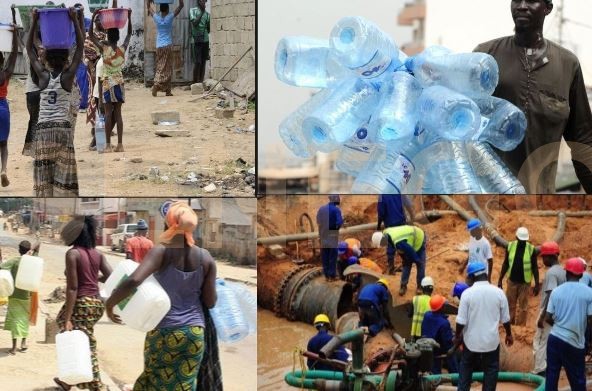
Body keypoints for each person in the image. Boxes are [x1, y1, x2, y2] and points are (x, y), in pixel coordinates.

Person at [474, 0, 592, 193]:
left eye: (530, 0)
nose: (521, 6)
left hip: (540, 200)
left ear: (547, 8)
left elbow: (583, 141)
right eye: (516, 0)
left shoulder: (567, 66)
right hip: (488, 197)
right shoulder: (485, 57)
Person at [106, 202, 217, 390]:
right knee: (185, 385)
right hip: (195, 333)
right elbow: (210, 302)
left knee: (155, 381)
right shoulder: (206, 258)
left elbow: (134, 280)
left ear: (168, 223)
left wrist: (110, 303)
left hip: (164, 330)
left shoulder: (161, 251)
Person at [27, 7, 84, 197]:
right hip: (63, 129)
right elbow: (81, 47)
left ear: (48, 60)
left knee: (44, 175)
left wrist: (34, 20)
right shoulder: (68, 77)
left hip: (43, 129)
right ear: (66, 58)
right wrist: (74, 19)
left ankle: (44, 206)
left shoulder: (43, 76)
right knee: (64, 175)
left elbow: (29, 49)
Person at [53, 215, 113, 391]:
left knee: (83, 340)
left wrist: (68, 317)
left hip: (82, 303)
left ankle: (96, 385)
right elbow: (110, 275)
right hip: (96, 303)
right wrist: (95, 279)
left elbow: (72, 288)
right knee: (77, 338)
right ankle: (69, 380)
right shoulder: (98, 254)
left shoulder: (72, 253)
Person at [456, 262, 513, 391]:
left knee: (465, 369)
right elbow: (506, 319)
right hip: (491, 343)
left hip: (471, 343)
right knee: (491, 371)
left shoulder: (467, 294)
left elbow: (461, 321)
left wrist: (457, 336)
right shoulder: (499, 293)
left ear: (472, 276)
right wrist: (509, 334)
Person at [544, 258, 592, 391]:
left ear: (566, 274)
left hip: (554, 339)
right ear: (581, 274)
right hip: (574, 342)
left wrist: (559, 326)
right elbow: (590, 319)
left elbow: (547, 317)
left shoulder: (556, 291)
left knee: (552, 377)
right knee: (578, 381)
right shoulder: (588, 293)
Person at [89, 6, 132, 153]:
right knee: (118, 114)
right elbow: (129, 35)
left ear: (107, 36)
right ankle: (120, 144)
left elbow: (90, 35)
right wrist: (130, 18)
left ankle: (107, 145)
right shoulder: (122, 49)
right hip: (119, 82)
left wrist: (94, 15)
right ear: (118, 37)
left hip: (108, 83)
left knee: (108, 114)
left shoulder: (104, 49)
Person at [532, 241, 565, 377]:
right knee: (549, 341)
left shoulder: (551, 273)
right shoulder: (562, 271)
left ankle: (539, 371)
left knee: (540, 341)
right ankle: (548, 368)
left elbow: (551, 294)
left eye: (543, 257)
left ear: (550, 257)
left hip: (549, 312)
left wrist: (543, 316)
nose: (543, 260)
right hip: (559, 313)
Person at [498, 227, 540, 325]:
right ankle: (510, 324)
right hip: (512, 281)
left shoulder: (531, 249)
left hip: (525, 283)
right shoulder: (510, 246)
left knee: (523, 307)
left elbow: (535, 267)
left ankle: (520, 327)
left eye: (524, 240)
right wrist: (500, 279)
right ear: (516, 237)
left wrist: (537, 283)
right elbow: (505, 264)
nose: (522, 242)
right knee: (509, 304)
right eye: (521, 240)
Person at [0, 241, 36, 355]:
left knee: (15, 320)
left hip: (14, 294)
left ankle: (14, 347)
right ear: (28, 249)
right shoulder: (32, 261)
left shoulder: (14, 260)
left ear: (19, 249)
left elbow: (2, 267)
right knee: (25, 320)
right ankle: (23, 343)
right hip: (27, 295)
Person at [372, 224, 427, 296]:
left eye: (382, 244)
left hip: (418, 238)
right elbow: (400, 250)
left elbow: (410, 251)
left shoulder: (397, 241)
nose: (383, 246)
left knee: (420, 264)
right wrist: (404, 259)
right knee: (406, 264)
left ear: (383, 239)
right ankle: (403, 286)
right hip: (408, 241)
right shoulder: (386, 234)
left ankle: (420, 287)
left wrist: (417, 260)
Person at [148, 0, 185, 96]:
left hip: (159, 46)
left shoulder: (157, 18)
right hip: (168, 45)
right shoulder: (169, 17)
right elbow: (181, 6)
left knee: (160, 65)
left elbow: (149, 8)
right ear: (168, 9)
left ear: (160, 9)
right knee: (168, 67)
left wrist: (148, 1)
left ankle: (167, 90)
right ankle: (157, 84)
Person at [84, 6, 106, 150]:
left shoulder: (104, 38)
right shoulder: (92, 38)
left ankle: (99, 140)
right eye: (98, 20)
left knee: (101, 107)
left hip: (102, 75)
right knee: (98, 104)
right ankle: (98, 141)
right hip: (95, 74)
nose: (101, 22)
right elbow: (88, 54)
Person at [377, 195, 415, 274]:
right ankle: (406, 265)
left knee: (391, 245)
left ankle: (391, 268)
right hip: (401, 222)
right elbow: (408, 204)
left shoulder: (382, 195)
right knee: (402, 242)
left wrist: (379, 225)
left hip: (390, 224)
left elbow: (381, 212)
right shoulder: (398, 190)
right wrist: (412, 217)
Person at [421, 294, 458, 374]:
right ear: (441, 307)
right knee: (452, 357)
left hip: (427, 346)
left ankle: (434, 382)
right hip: (438, 348)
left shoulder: (427, 315)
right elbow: (447, 342)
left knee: (434, 370)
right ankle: (456, 379)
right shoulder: (444, 323)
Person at [0, 23, 18, 187]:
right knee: (3, 143)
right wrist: (14, 35)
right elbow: (13, 54)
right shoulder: (5, 74)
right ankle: (4, 169)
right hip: (3, 108)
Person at [316, 195, 343, 282]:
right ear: (336, 200)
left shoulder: (321, 209)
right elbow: (339, 223)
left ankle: (326, 275)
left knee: (325, 255)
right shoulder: (336, 210)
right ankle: (332, 276)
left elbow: (318, 222)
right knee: (332, 256)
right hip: (332, 235)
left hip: (323, 235)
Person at [189, 0, 210, 83]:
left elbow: (208, 28)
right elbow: (194, 23)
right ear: (198, 1)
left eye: (205, 1)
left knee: (204, 61)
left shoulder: (207, 14)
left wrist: (204, 33)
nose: (204, 2)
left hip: (205, 39)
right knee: (197, 62)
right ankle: (195, 82)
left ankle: (201, 82)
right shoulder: (192, 10)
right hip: (196, 40)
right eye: (202, 1)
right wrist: (201, 12)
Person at [408, 276, 434, 341]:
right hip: (427, 333)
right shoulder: (434, 302)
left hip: (415, 333)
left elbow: (409, 315)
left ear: (422, 288)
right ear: (432, 289)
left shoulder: (415, 299)